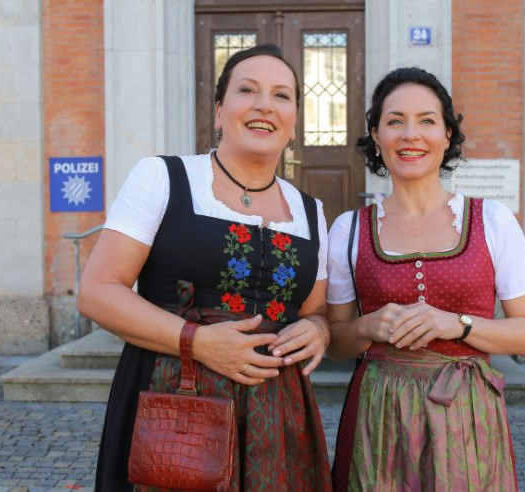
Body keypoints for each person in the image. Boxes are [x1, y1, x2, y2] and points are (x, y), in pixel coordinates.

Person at [78, 44, 333, 491]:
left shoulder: (310, 211)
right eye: (247, 90)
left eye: (281, 95)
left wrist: (318, 330)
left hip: (277, 416)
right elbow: (98, 291)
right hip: (175, 403)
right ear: (219, 111)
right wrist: (196, 341)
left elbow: (315, 312)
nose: (264, 105)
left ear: (294, 121)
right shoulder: (163, 177)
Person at [326, 67, 525, 491]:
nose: (411, 135)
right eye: (395, 121)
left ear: (447, 135)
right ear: (376, 136)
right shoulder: (348, 230)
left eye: (427, 121)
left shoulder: (493, 220)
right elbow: (335, 344)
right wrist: (367, 326)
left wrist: (457, 324)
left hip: (466, 414)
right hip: (378, 418)